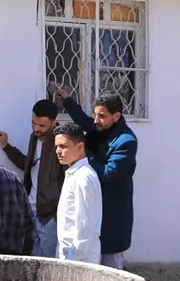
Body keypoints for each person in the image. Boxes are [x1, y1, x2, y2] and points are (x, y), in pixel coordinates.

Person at [56, 88, 138, 269]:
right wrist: (68, 101)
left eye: (101, 116)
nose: (96, 120)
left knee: (110, 275)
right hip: (91, 216)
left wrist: (84, 154)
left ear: (116, 116)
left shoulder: (126, 141)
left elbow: (107, 174)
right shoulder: (100, 127)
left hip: (111, 218)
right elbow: (83, 120)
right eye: (96, 114)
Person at [0, 99, 65, 258]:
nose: (36, 128)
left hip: (50, 215)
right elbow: (28, 165)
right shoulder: (34, 138)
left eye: (41, 125)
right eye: (34, 123)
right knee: (32, 259)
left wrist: (57, 213)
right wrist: (6, 146)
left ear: (54, 122)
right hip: (31, 209)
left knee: (49, 264)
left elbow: (69, 178)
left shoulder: (61, 143)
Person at [53, 123, 103, 264]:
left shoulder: (83, 177)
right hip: (69, 255)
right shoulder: (74, 174)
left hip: (79, 260)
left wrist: (74, 260)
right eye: (56, 146)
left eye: (63, 146)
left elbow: (85, 224)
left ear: (80, 147)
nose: (58, 151)